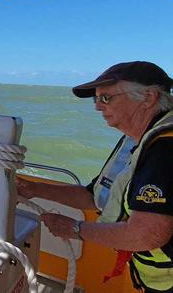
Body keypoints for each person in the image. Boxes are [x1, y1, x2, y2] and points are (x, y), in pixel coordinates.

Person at [18, 61, 173, 292]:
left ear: (148, 98)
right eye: (96, 99)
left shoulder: (165, 149)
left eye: (106, 98)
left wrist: (74, 229)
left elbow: (147, 235)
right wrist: (35, 189)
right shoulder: (136, 139)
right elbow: (94, 197)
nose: (98, 107)